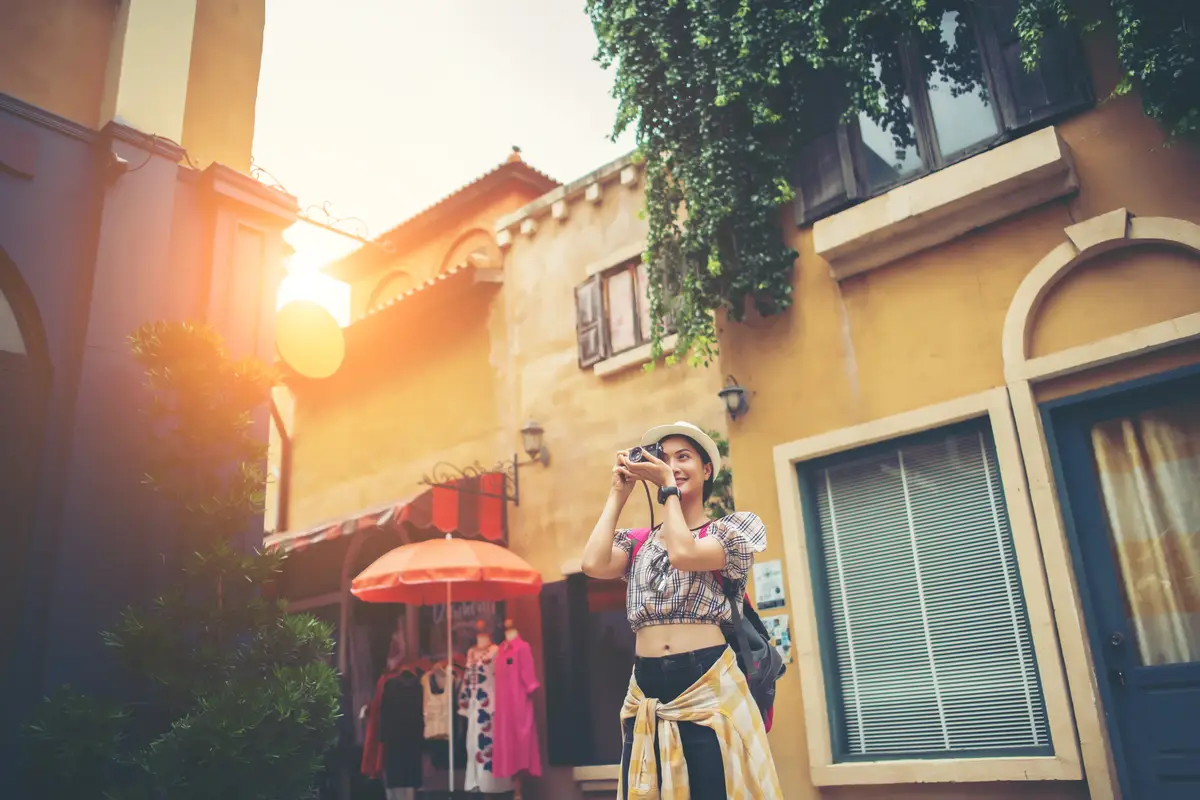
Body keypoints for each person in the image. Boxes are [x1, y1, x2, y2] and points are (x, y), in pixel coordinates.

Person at [580, 421, 782, 799]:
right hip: (646, 689)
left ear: (707, 470)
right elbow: (593, 564)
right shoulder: (639, 542)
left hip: (707, 682)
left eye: (683, 457)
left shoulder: (730, 531)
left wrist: (667, 488)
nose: (672, 466)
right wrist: (618, 492)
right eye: (665, 458)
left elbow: (684, 553)